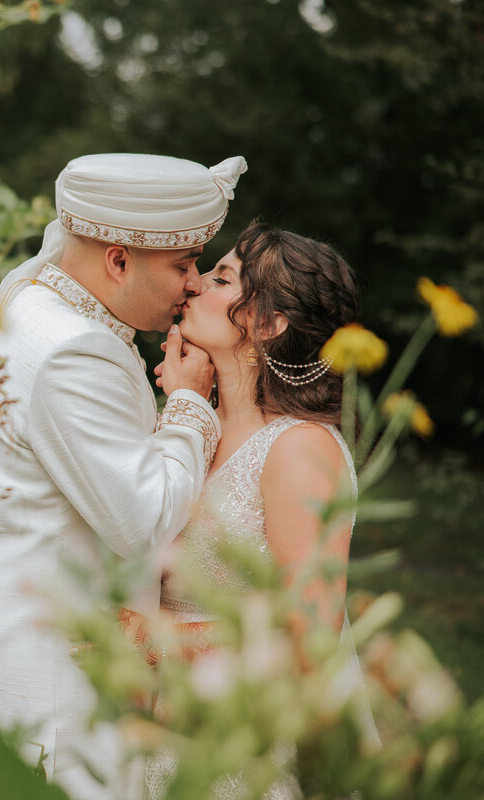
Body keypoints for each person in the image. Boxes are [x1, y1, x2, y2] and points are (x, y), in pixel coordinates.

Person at [0, 153, 248, 800]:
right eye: (182, 263)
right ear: (117, 260)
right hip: (47, 674)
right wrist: (191, 402)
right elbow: (143, 520)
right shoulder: (73, 351)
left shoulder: (32, 305)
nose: (194, 283)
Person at [146, 222, 380, 799]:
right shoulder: (188, 427)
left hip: (246, 744)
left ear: (269, 323)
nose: (195, 284)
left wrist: (162, 643)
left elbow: (311, 640)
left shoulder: (301, 449)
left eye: (222, 277)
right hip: (165, 729)